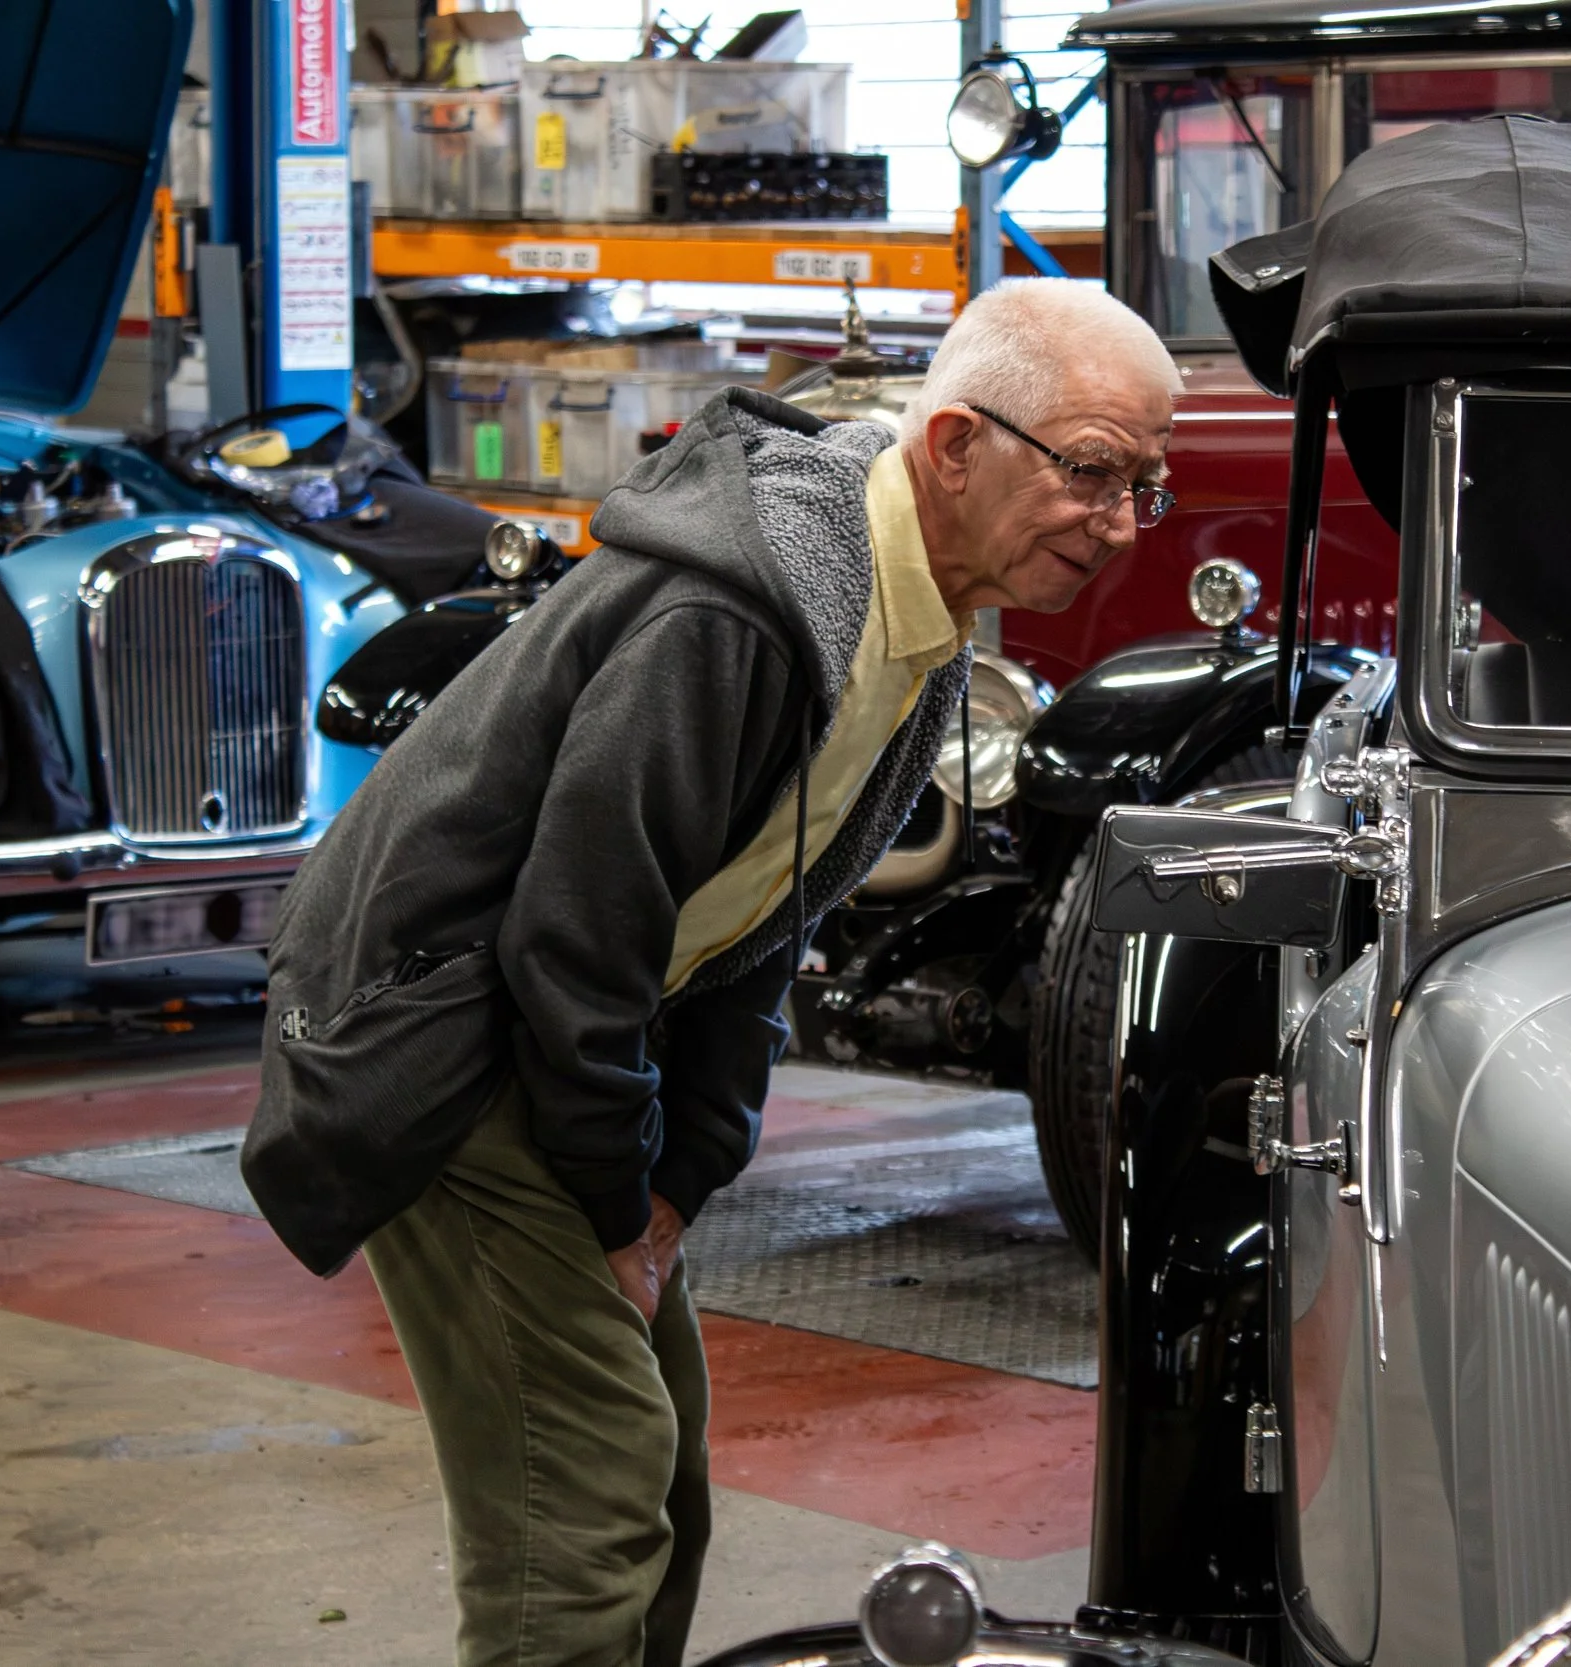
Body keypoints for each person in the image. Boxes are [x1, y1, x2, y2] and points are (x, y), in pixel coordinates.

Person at [241, 278, 1181, 1667]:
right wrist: (619, 1199)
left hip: (547, 1020)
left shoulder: (916, 627)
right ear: (955, 448)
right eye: (1093, 471)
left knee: (656, 1460)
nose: (1116, 524)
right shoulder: (742, 612)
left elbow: (759, 932)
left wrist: (678, 1184)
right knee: (585, 1497)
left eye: (1145, 484)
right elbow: (577, 931)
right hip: (435, 1031)